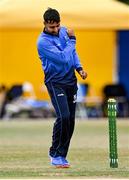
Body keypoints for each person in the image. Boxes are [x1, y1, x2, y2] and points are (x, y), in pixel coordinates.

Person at [37, 8, 87, 168]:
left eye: (58, 26)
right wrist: (73, 41)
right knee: (63, 116)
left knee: (71, 120)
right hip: (55, 82)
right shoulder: (42, 42)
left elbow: (73, 54)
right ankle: (54, 153)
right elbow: (64, 58)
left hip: (70, 81)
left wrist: (79, 68)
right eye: (52, 27)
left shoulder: (65, 31)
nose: (56, 29)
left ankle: (61, 155)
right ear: (45, 24)